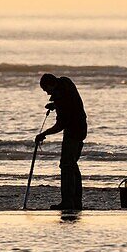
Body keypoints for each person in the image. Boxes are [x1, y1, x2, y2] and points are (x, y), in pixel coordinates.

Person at [35, 73, 87, 210]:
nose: (47, 93)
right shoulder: (66, 82)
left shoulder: (62, 101)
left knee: (66, 165)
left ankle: (68, 202)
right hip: (81, 127)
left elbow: (59, 125)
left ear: (51, 84)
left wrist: (43, 134)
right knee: (72, 165)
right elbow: (67, 98)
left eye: (47, 90)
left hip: (73, 131)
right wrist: (54, 104)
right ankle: (76, 202)